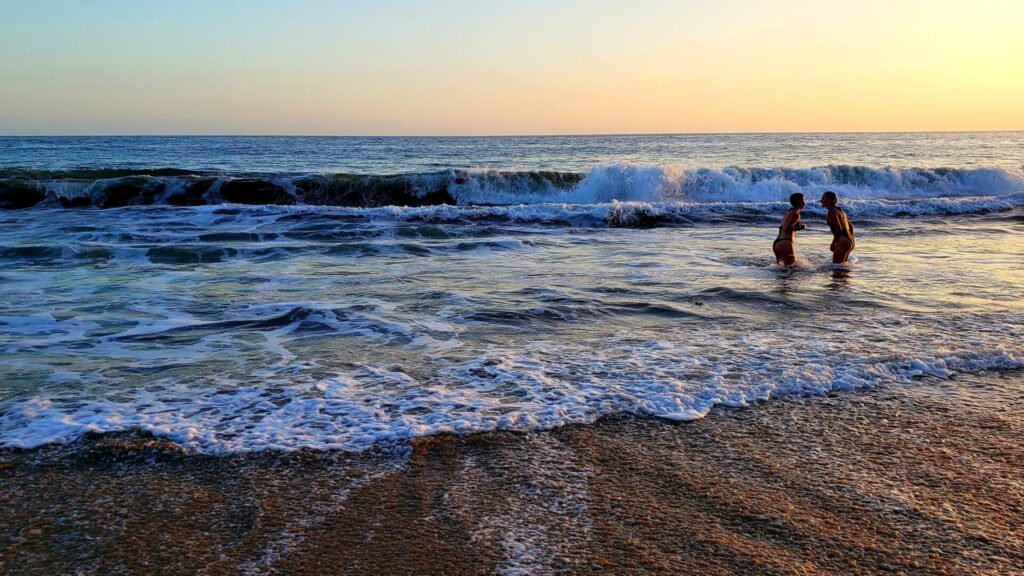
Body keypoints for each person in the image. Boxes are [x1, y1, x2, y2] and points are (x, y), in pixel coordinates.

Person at [820, 191, 855, 263]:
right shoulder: (840, 210)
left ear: (829, 200)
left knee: (837, 267)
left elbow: (839, 229)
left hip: (843, 241)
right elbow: (851, 226)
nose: (821, 200)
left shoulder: (831, 211)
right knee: (842, 267)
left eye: (823, 198)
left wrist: (833, 243)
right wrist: (851, 240)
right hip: (849, 241)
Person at [773, 193, 806, 265]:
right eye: (804, 200)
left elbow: (784, 226)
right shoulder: (795, 214)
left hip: (778, 242)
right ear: (800, 202)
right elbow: (787, 228)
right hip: (785, 242)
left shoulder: (789, 212)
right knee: (791, 268)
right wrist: (800, 227)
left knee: (782, 268)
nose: (805, 203)